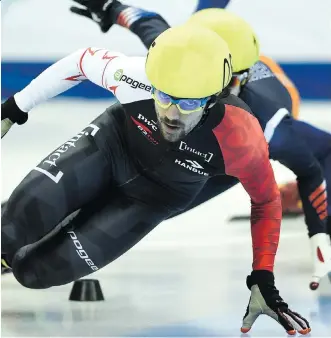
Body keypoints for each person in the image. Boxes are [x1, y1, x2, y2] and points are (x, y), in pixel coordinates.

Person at [1, 24, 310, 334]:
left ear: (215, 96)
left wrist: (263, 277)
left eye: (189, 103)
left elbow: (267, 200)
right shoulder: (134, 75)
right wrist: (14, 108)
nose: (172, 114)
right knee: (12, 227)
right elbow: (80, 61)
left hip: (154, 198)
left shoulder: (242, 137)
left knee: (36, 273)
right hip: (111, 148)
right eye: (163, 96)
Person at [65, 1, 331, 289]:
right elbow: (146, 20)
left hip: (236, 140)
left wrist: (322, 231)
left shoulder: (266, 124)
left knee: (157, 200)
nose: (206, 88)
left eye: (222, 84)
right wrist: (109, 6)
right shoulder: (184, 54)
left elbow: (321, 154)